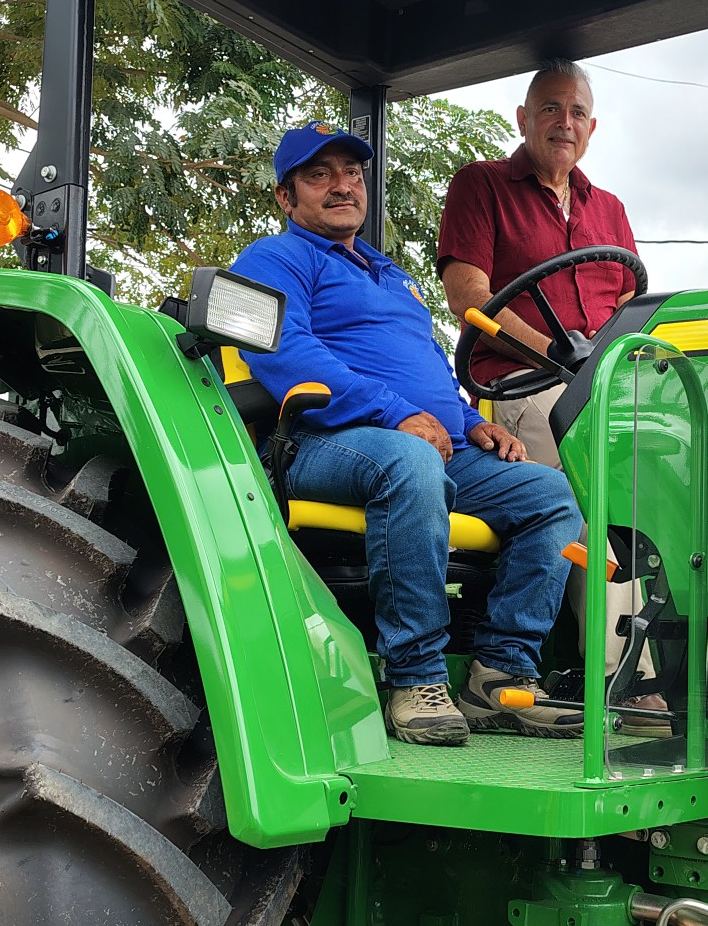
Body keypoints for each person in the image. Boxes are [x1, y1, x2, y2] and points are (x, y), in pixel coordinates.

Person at [231, 122, 585, 747]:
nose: (342, 185)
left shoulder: (392, 275)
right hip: (322, 441)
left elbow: (429, 372)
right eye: (319, 175)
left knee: (551, 495)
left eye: (352, 173)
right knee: (410, 463)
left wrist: (474, 423)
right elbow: (286, 353)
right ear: (286, 197)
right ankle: (416, 677)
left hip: (429, 443)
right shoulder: (274, 259)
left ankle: (500, 674)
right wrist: (395, 413)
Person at [437, 62, 669, 726]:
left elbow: (632, 308)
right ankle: (624, 680)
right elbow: (470, 298)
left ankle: (701, 667)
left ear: (592, 128)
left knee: (678, 499)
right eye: (549, 109)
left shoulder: (609, 210)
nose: (563, 123)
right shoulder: (482, 185)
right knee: (593, 504)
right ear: (523, 119)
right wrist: (556, 356)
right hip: (522, 385)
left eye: (576, 113)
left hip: (610, 388)